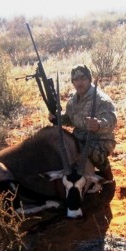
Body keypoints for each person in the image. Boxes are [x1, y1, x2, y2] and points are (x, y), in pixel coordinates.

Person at [50, 64, 117, 199]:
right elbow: (69, 119)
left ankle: (108, 179)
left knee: (93, 153)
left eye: (82, 78)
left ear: (89, 79)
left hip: (101, 139)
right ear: (72, 82)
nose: (79, 82)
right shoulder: (73, 101)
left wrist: (98, 124)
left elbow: (112, 119)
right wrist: (57, 119)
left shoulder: (101, 99)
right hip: (79, 137)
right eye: (75, 79)